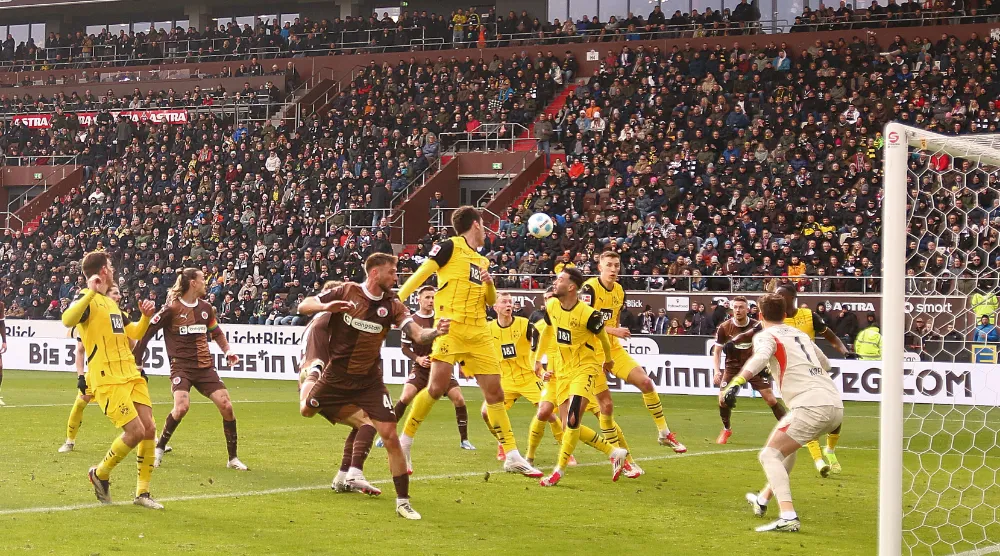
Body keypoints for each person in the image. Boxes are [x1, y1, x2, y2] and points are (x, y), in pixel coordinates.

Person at [297, 253, 450, 520]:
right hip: (335, 377)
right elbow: (304, 305)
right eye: (392, 272)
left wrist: (435, 332)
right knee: (306, 410)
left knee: (389, 434)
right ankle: (310, 384)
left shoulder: (393, 305)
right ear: (375, 273)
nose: (396, 277)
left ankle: (403, 502)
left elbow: (416, 333)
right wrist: (326, 307)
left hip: (369, 381)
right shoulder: (346, 291)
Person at [395, 206, 541, 478]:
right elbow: (423, 273)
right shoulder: (449, 247)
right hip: (452, 327)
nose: (485, 230)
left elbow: (489, 301)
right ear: (475, 224)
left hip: (479, 333)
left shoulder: (482, 261)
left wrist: (489, 283)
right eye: (483, 224)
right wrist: (397, 300)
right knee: (437, 388)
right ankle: (404, 442)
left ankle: (511, 455)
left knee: (495, 393)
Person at [721, 293, 844, 533]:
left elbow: (760, 357)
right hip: (835, 405)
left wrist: (736, 382)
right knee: (786, 449)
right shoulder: (800, 334)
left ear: (759, 314)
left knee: (769, 455)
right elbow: (826, 364)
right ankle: (763, 499)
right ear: (786, 314)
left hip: (811, 405)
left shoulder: (767, 335)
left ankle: (788, 516)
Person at [61, 251, 161, 509]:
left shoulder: (113, 304)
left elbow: (135, 332)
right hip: (107, 377)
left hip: (131, 373)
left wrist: (146, 317)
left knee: (149, 428)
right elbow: (67, 320)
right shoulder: (88, 298)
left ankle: (143, 493)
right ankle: (100, 473)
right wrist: (91, 291)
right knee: (136, 431)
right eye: (111, 266)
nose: (114, 270)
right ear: (103, 270)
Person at [729, 284, 854, 476]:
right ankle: (818, 460)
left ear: (792, 297)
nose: (779, 297)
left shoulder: (808, 316)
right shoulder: (770, 325)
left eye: (782, 295)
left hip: (811, 370)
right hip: (793, 374)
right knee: (806, 418)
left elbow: (829, 336)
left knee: (814, 419)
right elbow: (754, 338)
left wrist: (845, 352)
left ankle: (828, 451)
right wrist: (734, 342)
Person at [132, 268, 247, 471]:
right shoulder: (171, 309)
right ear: (192, 283)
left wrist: (228, 350)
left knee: (226, 406)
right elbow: (146, 334)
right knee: (182, 407)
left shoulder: (206, 308)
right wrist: (138, 363)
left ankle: (233, 458)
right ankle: (159, 449)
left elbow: (216, 332)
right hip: (181, 367)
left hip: (204, 367)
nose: (206, 282)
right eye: (203, 279)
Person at [579, 251, 686, 456]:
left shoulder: (619, 290)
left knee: (646, 382)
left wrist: (613, 334)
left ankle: (664, 432)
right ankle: (618, 456)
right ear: (600, 267)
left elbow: (613, 319)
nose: (613, 269)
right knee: (606, 406)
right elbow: (584, 323)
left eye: (616, 265)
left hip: (613, 349)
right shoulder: (589, 289)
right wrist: (614, 331)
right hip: (591, 353)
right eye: (608, 265)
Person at [534, 268, 628, 486]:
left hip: (585, 367)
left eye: (560, 280)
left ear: (571, 287)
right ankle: (614, 451)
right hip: (563, 370)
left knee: (574, 418)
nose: (555, 283)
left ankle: (558, 470)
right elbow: (548, 331)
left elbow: (603, 337)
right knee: (569, 426)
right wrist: (538, 359)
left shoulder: (588, 314)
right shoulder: (552, 305)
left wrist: (608, 359)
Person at [298, 280, 383, 495]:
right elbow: (314, 361)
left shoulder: (317, 320)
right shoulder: (326, 319)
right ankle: (353, 474)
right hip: (324, 385)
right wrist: (312, 380)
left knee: (362, 422)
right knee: (369, 421)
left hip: (325, 382)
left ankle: (343, 478)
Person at [382, 285, 473, 450]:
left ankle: (464, 440)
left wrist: (462, 364)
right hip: (421, 368)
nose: (431, 301)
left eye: (433, 298)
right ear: (419, 299)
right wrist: (418, 359)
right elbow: (404, 348)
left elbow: (454, 344)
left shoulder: (442, 319)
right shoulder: (411, 321)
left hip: (442, 368)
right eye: (427, 297)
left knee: (459, 399)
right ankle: (387, 434)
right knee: (406, 396)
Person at [485, 292, 562, 462]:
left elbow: (542, 345)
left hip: (529, 377)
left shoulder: (525, 325)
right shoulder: (489, 329)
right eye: (504, 302)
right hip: (505, 380)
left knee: (548, 412)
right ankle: (503, 444)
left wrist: (542, 370)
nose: (508, 305)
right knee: (486, 412)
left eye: (510, 302)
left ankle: (565, 450)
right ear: (495, 307)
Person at [59, 285, 130, 452]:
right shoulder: (92, 317)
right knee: (80, 403)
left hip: (119, 370)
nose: (118, 296)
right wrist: (81, 376)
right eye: (115, 293)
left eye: (119, 293)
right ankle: (70, 441)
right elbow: (80, 350)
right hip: (97, 371)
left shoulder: (122, 317)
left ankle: (152, 439)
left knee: (136, 403)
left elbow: (133, 344)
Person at [712, 296, 786, 445]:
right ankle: (726, 429)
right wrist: (716, 371)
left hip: (754, 366)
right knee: (722, 400)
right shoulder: (724, 327)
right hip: (732, 367)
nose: (738, 310)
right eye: (735, 307)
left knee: (770, 399)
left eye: (741, 307)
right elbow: (717, 351)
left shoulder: (758, 326)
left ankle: (789, 430)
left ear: (747, 309)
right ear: (732, 310)